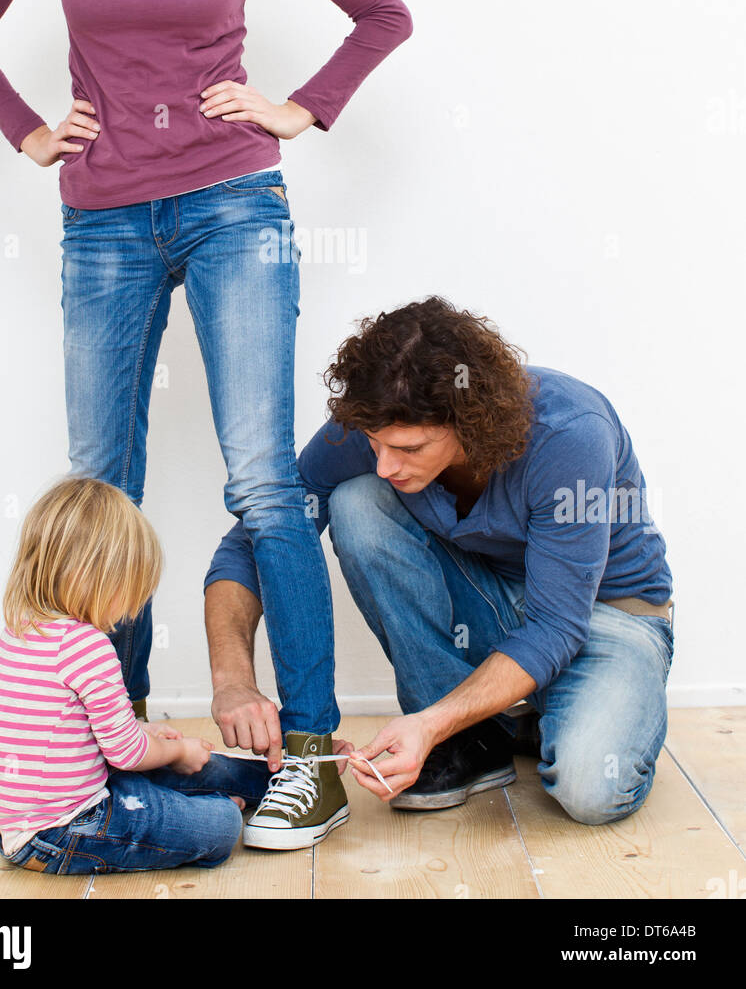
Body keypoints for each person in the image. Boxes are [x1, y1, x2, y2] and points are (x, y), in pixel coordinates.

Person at [0, 0, 413, 850]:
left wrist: (299, 110)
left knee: (261, 477)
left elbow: (379, 10)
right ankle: (120, 736)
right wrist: (29, 131)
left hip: (233, 202)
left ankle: (308, 758)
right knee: (103, 481)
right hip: (102, 220)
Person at [205, 296, 675, 832]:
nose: (384, 464)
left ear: (469, 422)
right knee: (357, 503)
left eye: (409, 448)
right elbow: (253, 541)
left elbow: (556, 626)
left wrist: (425, 725)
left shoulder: (570, 434)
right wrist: (233, 679)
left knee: (591, 790)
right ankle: (476, 738)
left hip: (604, 616)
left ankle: (530, 717)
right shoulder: (379, 425)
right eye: (375, 444)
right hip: (496, 605)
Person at [0, 475, 272, 874]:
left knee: (167, 773)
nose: (133, 606)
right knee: (221, 826)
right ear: (97, 577)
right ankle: (236, 800)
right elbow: (127, 754)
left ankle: (256, 785)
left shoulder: (22, 630)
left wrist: (145, 735)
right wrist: (179, 750)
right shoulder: (87, 646)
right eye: (131, 587)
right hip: (63, 831)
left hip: (18, 826)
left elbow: (79, 733)